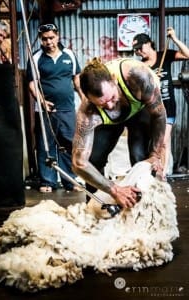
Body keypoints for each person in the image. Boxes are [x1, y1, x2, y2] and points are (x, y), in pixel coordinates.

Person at [72, 57, 166, 209]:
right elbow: (79, 163)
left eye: (111, 98)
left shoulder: (137, 76)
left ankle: (146, 210)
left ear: (114, 80)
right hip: (112, 122)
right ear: (89, 99)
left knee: (140, 159)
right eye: (101, 104)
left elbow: (159, 115)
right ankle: (95, 208)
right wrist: (114, 189)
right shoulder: (88, 111)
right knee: (94, 160)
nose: (109, 105)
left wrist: (155, 155)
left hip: (139, 110)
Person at [27, 23, 83, 193]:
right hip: (46, 111)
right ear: (40, 40)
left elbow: (76, 79)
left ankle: (69, 180)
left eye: (51, 38)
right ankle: (48, 181)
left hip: (67, 109)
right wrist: (42, 101)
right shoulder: (36, 57)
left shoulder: (69, 55)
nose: (49, 42)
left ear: (58, 36)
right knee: (46, 145)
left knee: (68, 144)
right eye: (45, 39)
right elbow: (32, 83)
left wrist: (84, 98)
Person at [132, 27, 189, 177]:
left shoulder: (165, 55)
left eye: (140, 48)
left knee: (163, 142)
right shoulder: (140, 66)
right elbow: (138, 92)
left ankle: (162, 175)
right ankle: (154, 172)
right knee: (152, 143)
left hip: (168, 107)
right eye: (135, 50)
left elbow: (187, 54)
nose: (138, 52)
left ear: (149, 43)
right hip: (150, 110)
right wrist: (151, 78)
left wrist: (175, 38)